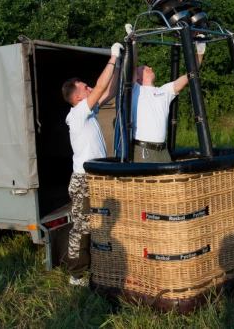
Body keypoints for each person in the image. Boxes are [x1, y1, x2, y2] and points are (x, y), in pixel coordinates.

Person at [61, 42, 123, 286]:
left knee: (100, 223)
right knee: (82, 227)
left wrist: (119, 62)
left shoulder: (87, 112)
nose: (89, 88)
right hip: (83, 180)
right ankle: (76, 275)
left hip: (95, 176)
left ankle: (97, 266)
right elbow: (99, 87)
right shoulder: (77, 113)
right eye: (84, 87)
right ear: (77, 97)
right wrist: (112, 56)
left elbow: (112, 89)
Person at [129, 24, 206, 162]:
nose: (149, 67)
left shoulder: (164, 91)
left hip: (162, 151)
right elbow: (132, 64)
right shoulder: (136, 90)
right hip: (144, 150)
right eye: (145, 68)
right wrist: (133, 42)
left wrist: (200, 51)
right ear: (138, 77)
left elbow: (190, 75)